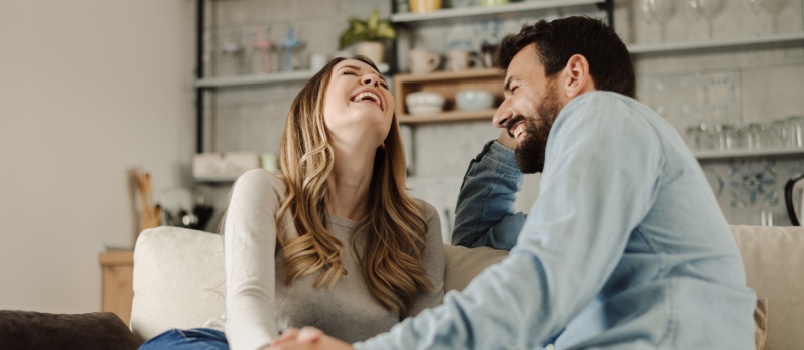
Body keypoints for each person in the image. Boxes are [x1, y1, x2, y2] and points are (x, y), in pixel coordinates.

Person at [267, 16, 757, 349]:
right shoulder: (602, 174)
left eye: (514, 88)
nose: (500, 113)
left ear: (574, 75)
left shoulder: (602, 116)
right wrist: (521, 131)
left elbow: (540, 281)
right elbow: (479, 237)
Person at [138, 56, 445, 350]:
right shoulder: (264, 187)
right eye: (350, 73)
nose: (373, 81)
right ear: (312, 111)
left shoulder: (418, 222)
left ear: (386, 136)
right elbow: (248, 297)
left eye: (382, 83)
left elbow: (426, 336)